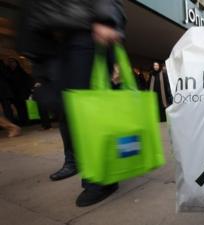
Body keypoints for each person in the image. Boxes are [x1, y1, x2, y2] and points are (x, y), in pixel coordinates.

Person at [17, 0, 125, 207]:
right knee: (72, 110)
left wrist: (106, 19)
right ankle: (89, 168)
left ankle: (102, 178)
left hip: (86, 32)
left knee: (85, 111)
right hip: (61, 37)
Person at [5, 58, 34, 126]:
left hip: (23, 93)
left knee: (24, 108)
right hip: (15, 94)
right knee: (19, 108)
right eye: (10, 62)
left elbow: (27, 81)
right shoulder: (8, 73)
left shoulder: (21, 72)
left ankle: (27, 121)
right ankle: (23, 121)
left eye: (13, 62)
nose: (12, 64)